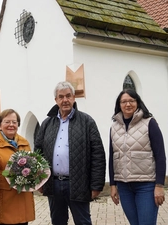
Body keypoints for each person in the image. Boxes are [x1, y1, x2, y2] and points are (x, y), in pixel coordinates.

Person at [34, 81, 106, 225]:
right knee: (58, 222)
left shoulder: (86, 121)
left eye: (68, 96)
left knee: (83, 222)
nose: (65, 100)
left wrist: (96, 185)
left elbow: (97, 154)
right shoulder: (47, 123)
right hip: (53, 184)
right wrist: (38, 181)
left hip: (79, 183)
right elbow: (38, 153)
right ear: (56, 100)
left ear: (74, 97)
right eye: (61, 97)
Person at [109, 89, 166, 225]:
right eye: (124, 101)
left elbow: (160, 155)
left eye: (131, 100)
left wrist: (159, 185)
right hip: (123, 186)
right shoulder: (114, 127)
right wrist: (112, 185)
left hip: (146, 186)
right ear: (119, 105)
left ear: (137, 102)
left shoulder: (149, 123)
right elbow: (112, 157)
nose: (128, 104)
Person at [0, 109, 35, 225]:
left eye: (14, 122)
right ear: (0, 125)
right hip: (3, 200)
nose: (11, 125)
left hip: (22, 198)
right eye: (7, 122)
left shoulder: (24, 142)